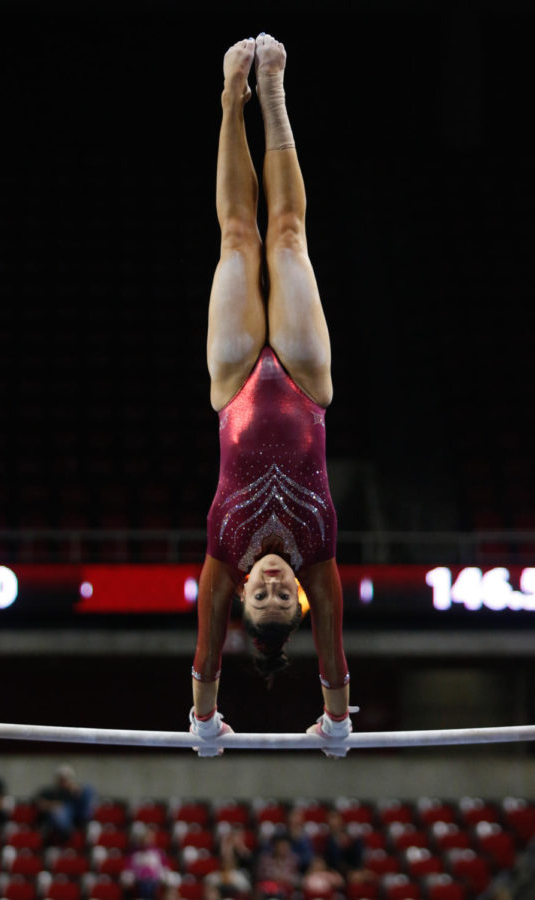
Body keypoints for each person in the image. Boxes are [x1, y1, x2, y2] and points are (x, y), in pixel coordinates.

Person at [189, 34, 350, 754]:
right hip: (307, 386)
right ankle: (275, 95)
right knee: (286, 238)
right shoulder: (320, 553)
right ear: (302, 595)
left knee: (234, 238)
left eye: (264, 596)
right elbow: (335, 650)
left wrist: (203, 720)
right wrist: (339, 722)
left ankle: (231, 98)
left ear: (246, 595)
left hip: (233, 390)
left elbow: (204, 652)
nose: (277, 587)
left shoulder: (224, 554)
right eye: (286, 596)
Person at [35, 765, 95, 843]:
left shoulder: (75, 791)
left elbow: (85, 804)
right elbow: (40, 802)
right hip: (61, 820)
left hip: (78, 817)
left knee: (88, 788)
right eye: (61, 779)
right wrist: (53, 805)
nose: (63, 781)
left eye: (66, 779)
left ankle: (86, 827)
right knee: (60, 812)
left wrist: (77, 792)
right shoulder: (50, 792)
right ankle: (67, 834)